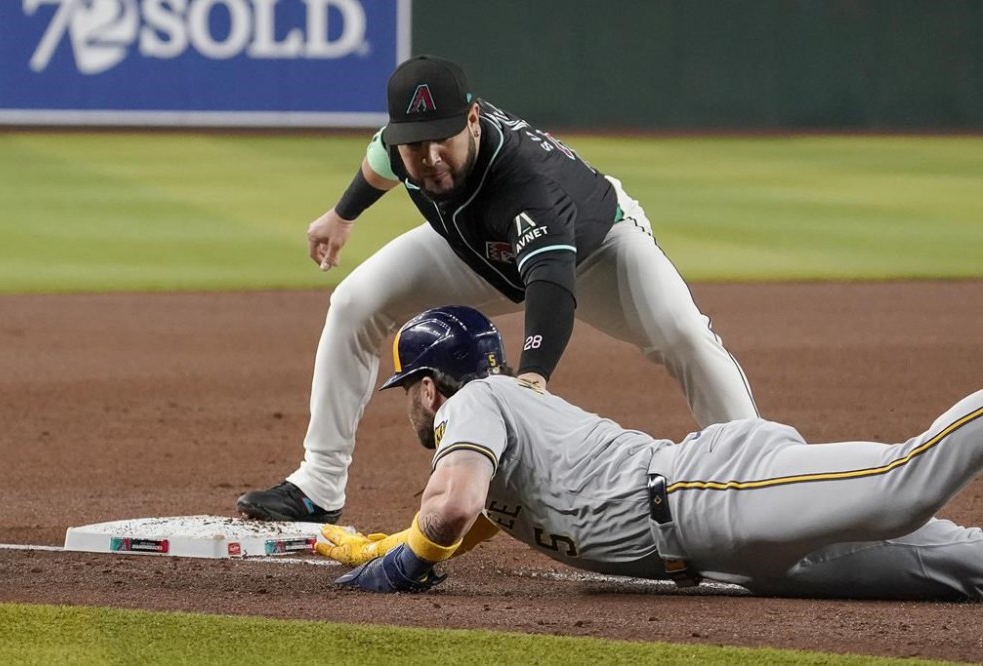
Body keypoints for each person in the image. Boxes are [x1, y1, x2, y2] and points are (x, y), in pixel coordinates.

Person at [236, 54, 757, 525]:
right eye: (416, 144)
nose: (432, 155)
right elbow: (378, 161)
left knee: (682, 335)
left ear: (472, 119)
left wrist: (531, 377)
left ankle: (758, 474)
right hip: (482, 250)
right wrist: (340, 216)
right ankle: (319, 487)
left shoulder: (526, 180)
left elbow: (551, 283)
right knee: (353, 304)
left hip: (597, 251)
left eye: (445, 137)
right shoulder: (401, 147)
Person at [316, 306, 983, 600]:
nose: (408, 402)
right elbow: (481, 515)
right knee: (965, 569)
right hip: (732, 558)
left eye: (407, 388)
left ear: (429, 388)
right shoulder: (509, 427)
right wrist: (382, 546)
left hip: (710, 493)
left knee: (902, 485)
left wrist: (405, 564)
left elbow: (455, 509)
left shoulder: (474, 404)